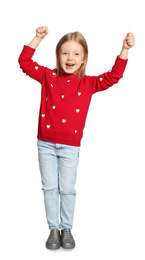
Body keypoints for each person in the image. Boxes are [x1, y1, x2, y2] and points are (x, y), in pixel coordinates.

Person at [18, 26, 135, 250]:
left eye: (76, 53)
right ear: (58, 56)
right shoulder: (47, 76)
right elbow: (24, 62)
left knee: (68, 189)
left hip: (70, 147)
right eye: (65, 53)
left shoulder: (88, 83)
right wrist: (38, 38)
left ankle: (66, 228)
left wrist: (124, 49)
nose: (70, 57)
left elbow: (113, 76)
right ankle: (53, 229)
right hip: (45, 144)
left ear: (83, 59)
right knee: (50, 188)